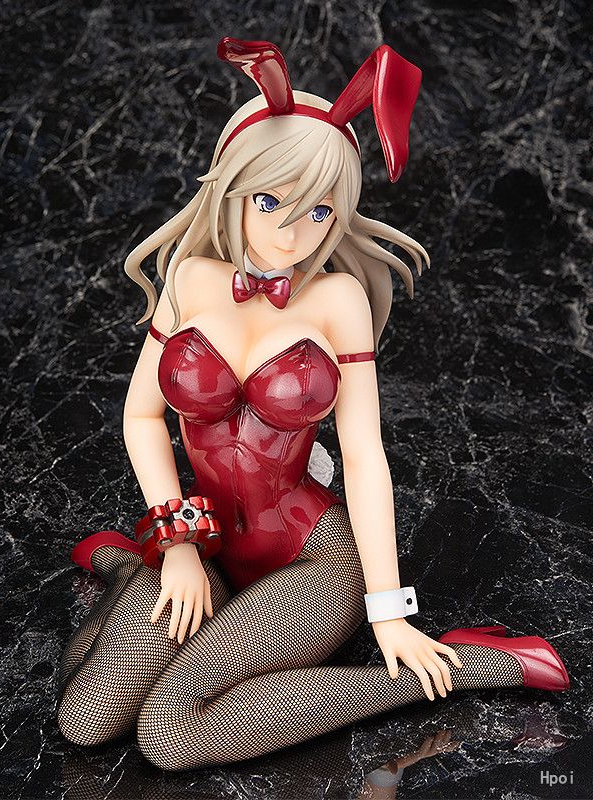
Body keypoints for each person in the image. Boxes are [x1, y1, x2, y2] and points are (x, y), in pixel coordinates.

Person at [56, 37, 569, 771]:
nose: (292, 234)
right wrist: (176, 545)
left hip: (314, 560)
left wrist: (388, 610)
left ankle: (475, 666)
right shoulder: (192, 279)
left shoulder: (338, 300)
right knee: (85, 720)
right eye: (270, 202)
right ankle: (127, 564)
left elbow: (363, 457)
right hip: (206, 543)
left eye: (320, 212)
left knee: (170, 732)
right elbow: (142, 416)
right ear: (232, 190)